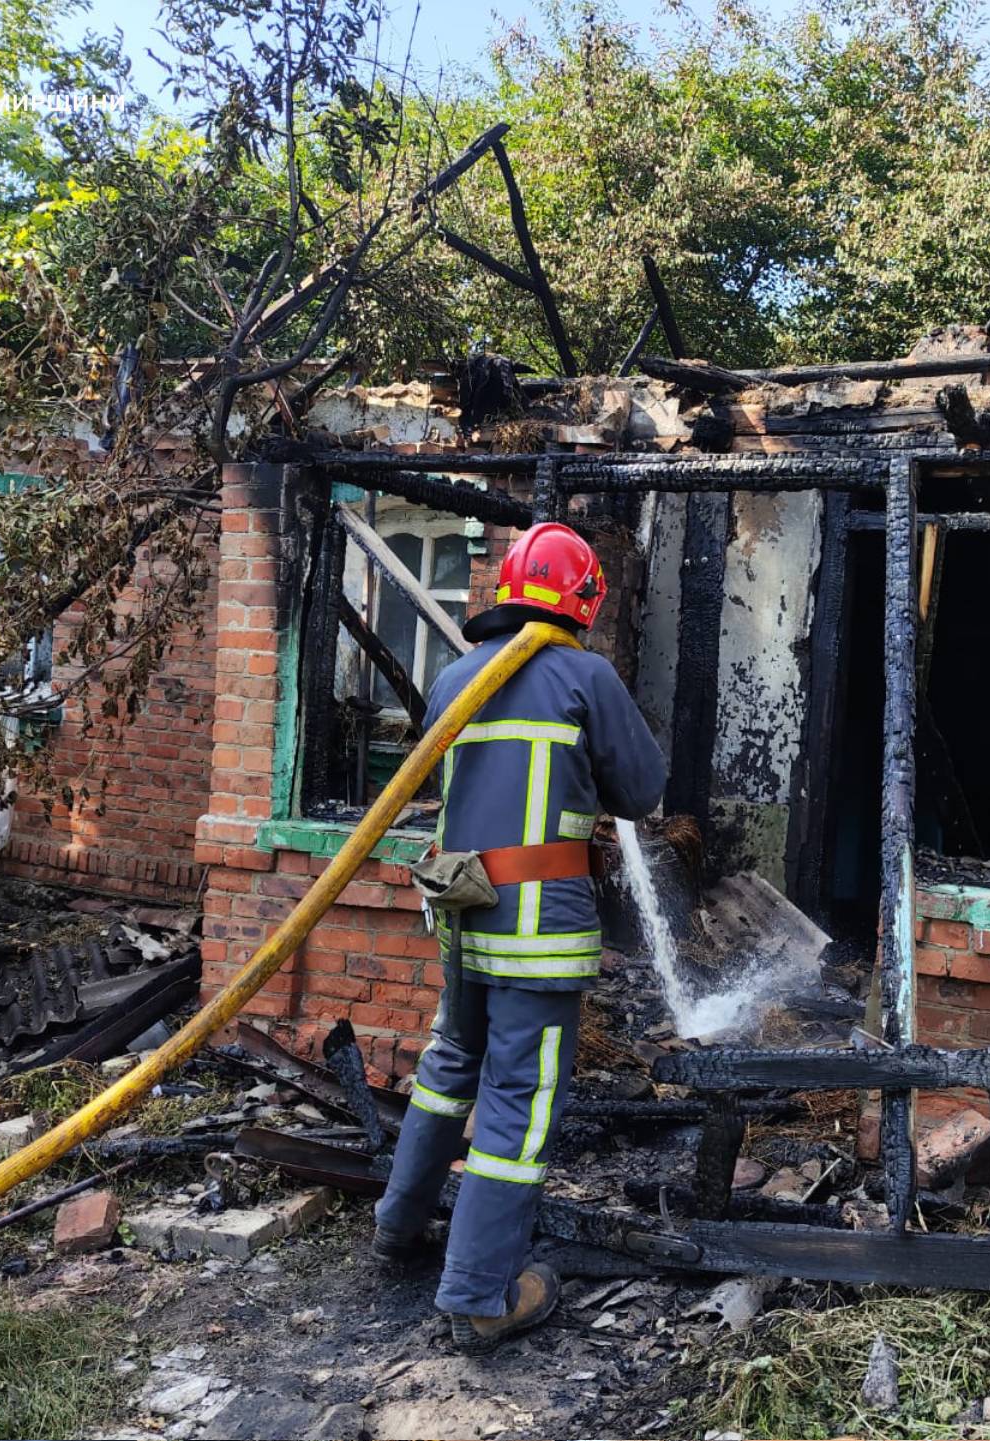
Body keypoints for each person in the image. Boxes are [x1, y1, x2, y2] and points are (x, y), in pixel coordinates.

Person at [372, 522, 666, 1351]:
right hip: (536, 936)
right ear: (582, 602)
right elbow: (643, 790)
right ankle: (477, 1294)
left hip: (462, 924)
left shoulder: (455, 678)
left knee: (448, 1069)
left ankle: (397, 1226)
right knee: (519, 1102)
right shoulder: (585, 675)